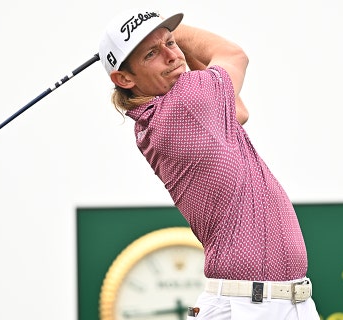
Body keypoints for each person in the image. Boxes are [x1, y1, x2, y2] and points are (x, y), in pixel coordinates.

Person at [99, 9, 320, 320]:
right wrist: (166, 29)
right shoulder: (186, 103)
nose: (171, 55)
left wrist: (152, 33)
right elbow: (234, 55)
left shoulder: (173, 111)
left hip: (274, 302)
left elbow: (238, 110)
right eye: (152, 53)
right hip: (248, 305)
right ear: (124, 78)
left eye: (171, 43)